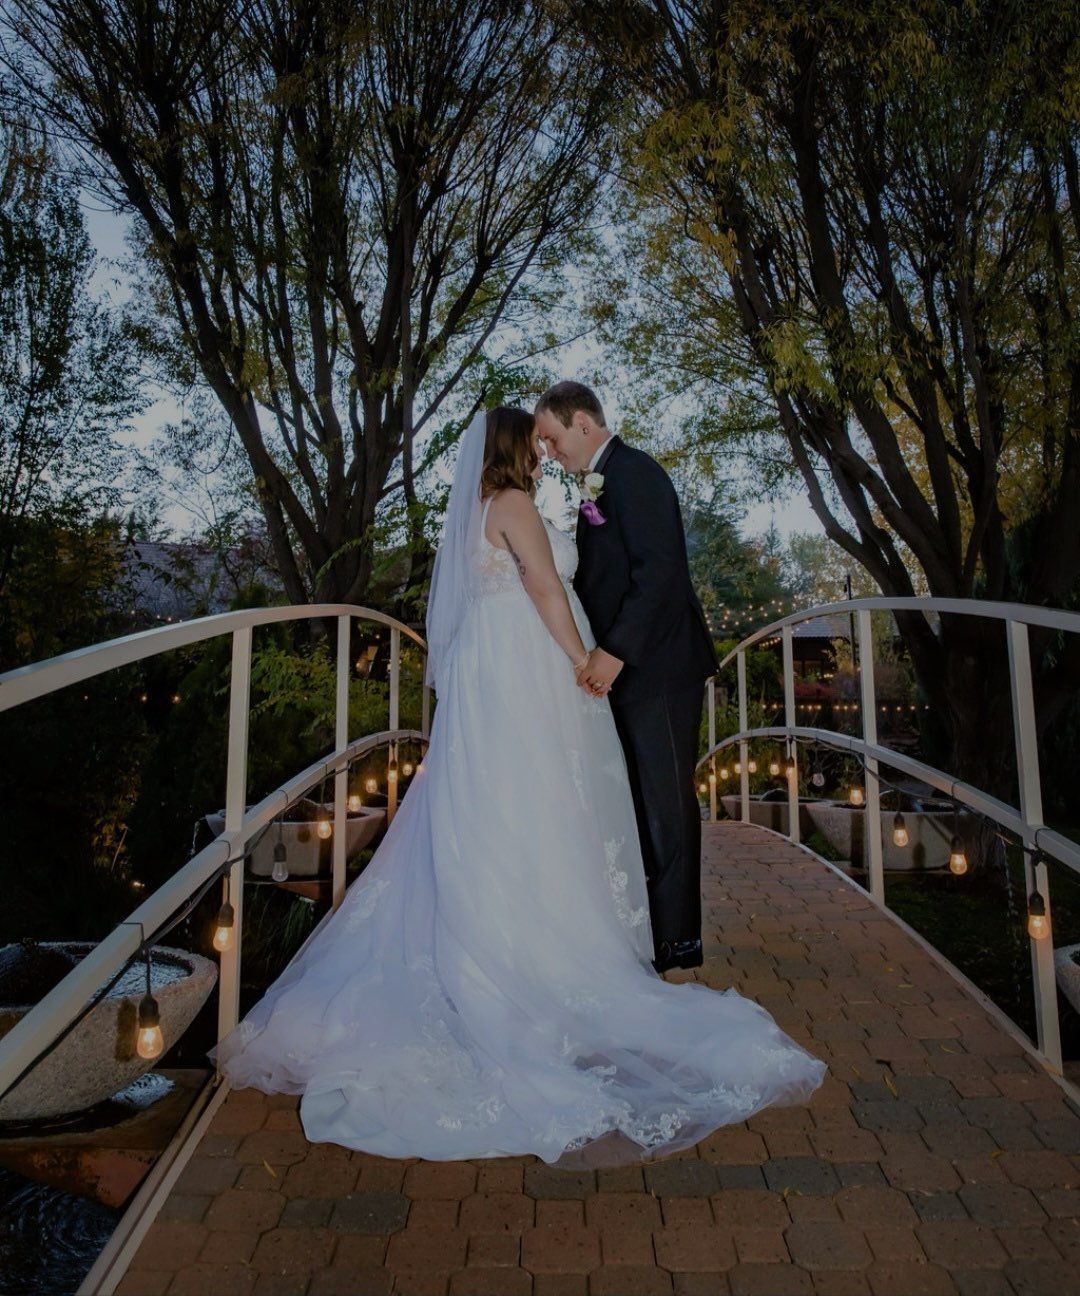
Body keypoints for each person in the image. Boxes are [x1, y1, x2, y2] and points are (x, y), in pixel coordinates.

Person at [208, 406, 826, 1168]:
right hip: (529, 670)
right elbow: (542, 587)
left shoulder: (478, 510)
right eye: (535, 445)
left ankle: (510, 936)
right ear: (513, 449)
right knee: (541, 809)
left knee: (496, 812)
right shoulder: (514, 506)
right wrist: (581, 659)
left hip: (489, 676)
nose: (545, 455)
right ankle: (539, 954)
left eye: (550, 442)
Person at [534, 381, 718, 973]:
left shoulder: (635, 473)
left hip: (659, 666)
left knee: (667, 804)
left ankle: (678, 941)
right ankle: (652, 933)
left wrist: (612, 652)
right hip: (631, 671)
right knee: (640, 801)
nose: (551, 450)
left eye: (554, 437)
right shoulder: (601, 480)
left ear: (583, 422)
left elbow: (659, 575)